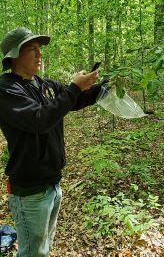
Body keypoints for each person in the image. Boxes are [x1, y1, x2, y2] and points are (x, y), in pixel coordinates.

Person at [0, 27, 102, 257]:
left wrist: (100, 88)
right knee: (32, 252)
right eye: (32, 49)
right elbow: (39, 119)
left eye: (40, 49)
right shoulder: (6, 89)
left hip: (52, 185)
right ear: (14, 56)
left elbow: (73, 101)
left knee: (43, 248)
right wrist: (74, 88)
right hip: (30, 190)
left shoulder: (44, 85)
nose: (39, 55)